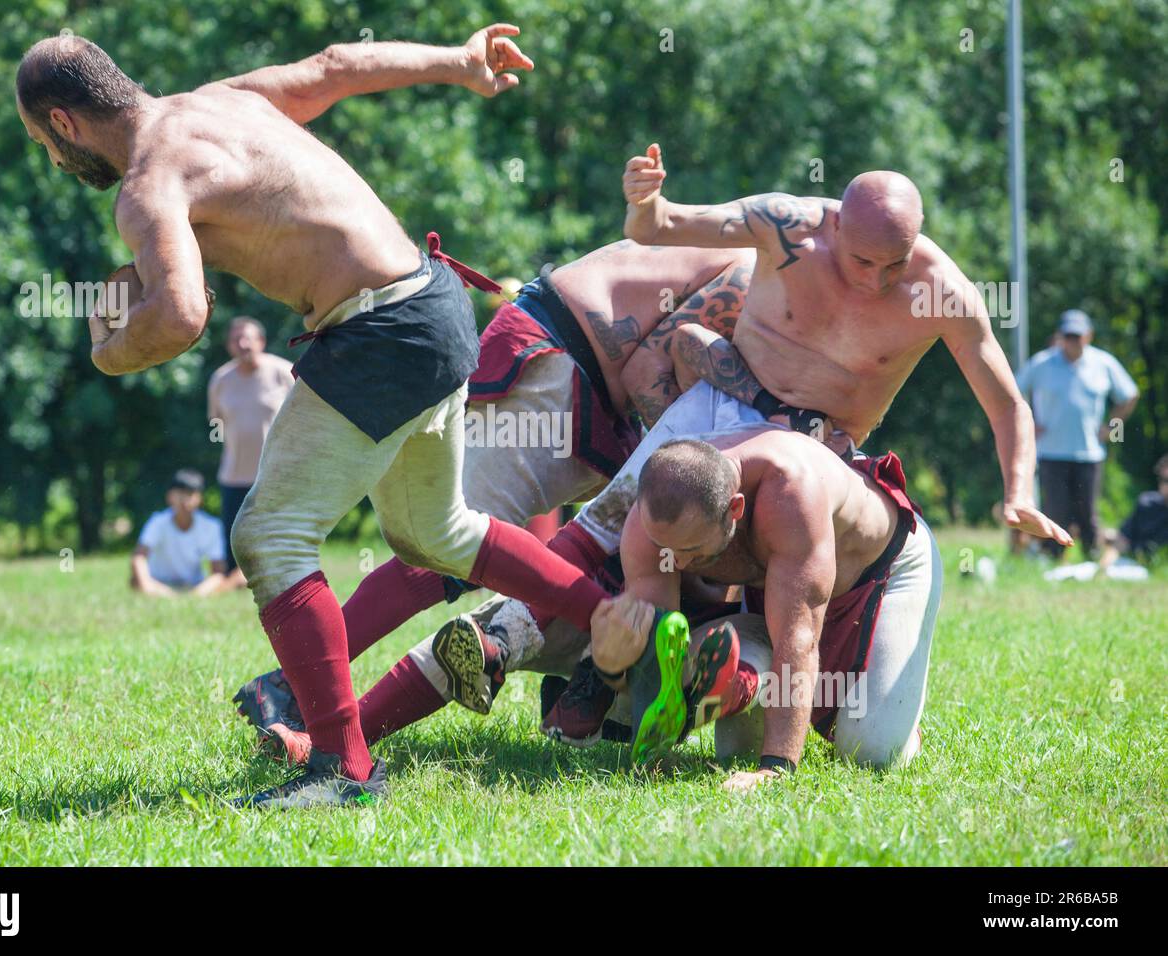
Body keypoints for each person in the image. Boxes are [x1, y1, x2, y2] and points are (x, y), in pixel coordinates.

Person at [16, 28, 654, 809]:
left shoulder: (146, 185)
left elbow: (181, 316)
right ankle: (619, 621)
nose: (52, 162)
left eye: (43, 144)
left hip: (378, 331)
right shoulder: (221, 101)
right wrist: (458, 61)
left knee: (269, 536)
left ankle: (344, 771)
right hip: (435, 302)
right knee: (440, 533)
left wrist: (108, 350)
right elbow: (336, 67)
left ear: (65, 122)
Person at [234, 241, 757, 752]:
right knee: (443, 543)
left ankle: (574, 673)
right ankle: (293, 693)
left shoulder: (772, 274)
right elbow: (648, 371)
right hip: (560, 365)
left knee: (480, 545)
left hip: (583, 387)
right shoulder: (755, 274)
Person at [616, 143, 1072, 548]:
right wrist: (646, 198)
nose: (877, 280)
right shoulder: (786, 226)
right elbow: (658, 226)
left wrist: (1019, 492)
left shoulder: (943, 294)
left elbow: (1008, 406)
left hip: (823, 446)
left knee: (763, 560)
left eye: (896, 264)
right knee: (621, 517)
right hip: (726, 400)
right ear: (835, 224)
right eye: (863, 261)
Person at [590, 431, 942, 785]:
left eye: (692, 549)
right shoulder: (652, 521)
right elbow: (660, 654)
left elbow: (798, 639)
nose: (676, 562)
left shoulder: (791, 495)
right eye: (665, 548)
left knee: (871, 752)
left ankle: (903, 729)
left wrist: (775, 768)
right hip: (783, 587)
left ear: (735, 509)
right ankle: (742, 682)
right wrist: (613, 673)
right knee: (734, 752)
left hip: (886, 571)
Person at [1016, 309, 1140, 558]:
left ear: (1089, 336)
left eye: (1077, 335)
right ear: (1060, 336)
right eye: (1068, 335)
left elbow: (1129, 395)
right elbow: (1013, 390)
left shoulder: (1103, 363)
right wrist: (1028, 423)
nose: (1073, 341)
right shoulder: (1042, 363)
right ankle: (1051, 558)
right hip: (1051, 452)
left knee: (1088, 513)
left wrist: (1112, 428)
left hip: (1089, 453)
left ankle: (1092, 557)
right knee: (1054, 510)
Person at [207, 315, 295, 590]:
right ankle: (236, 587)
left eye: (248, 337)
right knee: (236, 540)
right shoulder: (221, 379)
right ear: (229, 346)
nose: (243, 344)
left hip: (275, 474)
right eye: (236, 339)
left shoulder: (284, 373)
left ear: (261, 341)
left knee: (280, 537)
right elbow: (216, 423)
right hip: (233, 475)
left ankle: (285, 584)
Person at [130, 469, 227, 596]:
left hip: (194, 584)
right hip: (159, 583)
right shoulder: (157, 522)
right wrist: (147, 585)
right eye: (180, 493)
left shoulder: (211, 526)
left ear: (200, 498)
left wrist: (197, 594)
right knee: (134, 581)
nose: (185, 499)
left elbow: (218, 573)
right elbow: (139, 557)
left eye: (191, 493)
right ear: (169, 496)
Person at [1100, 453, 1168, 569]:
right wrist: (1104, 566)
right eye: (1165, 480)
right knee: (1104, 534)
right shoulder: (1147, 504)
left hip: (1158, 567)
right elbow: (1123, 539)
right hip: (1134, 563)